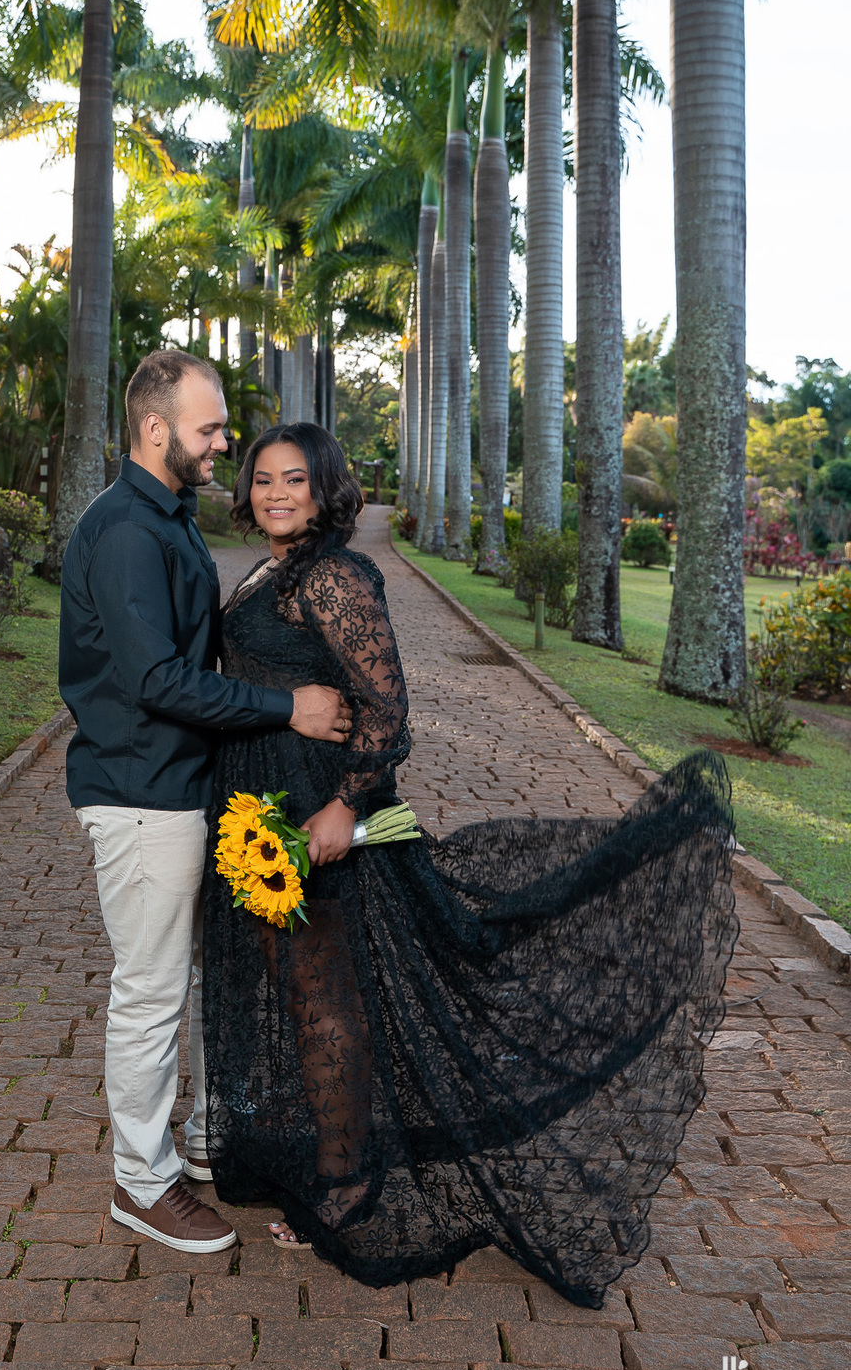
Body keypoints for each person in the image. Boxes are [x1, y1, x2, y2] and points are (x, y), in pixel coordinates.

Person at [203, 421, 739, 1305]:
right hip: (261, 816)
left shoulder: (334, 574)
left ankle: (346, 1181)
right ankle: (328, 1156)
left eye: (294, 480)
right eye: (263, 479)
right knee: (300, 991)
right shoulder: (271, 568)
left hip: (317, 819)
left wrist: (341, 808)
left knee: (326, 995)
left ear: (325, 488)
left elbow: (387, 709)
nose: (274, 493)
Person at [58, 354, 352, 1256]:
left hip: (183, 790)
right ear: (157, 431)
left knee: (182, 983)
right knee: (149, 994)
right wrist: (288, 707)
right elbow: (155, 679)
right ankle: (142, 1185)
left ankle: (184, 1148)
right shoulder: (125, 534)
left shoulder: (170, 519)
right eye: (210, 428)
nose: (224, 440)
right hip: (142, 794)